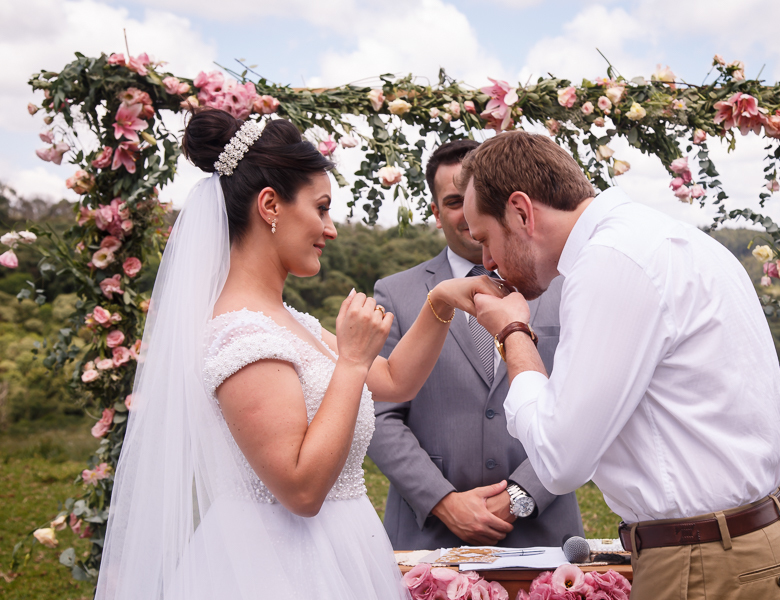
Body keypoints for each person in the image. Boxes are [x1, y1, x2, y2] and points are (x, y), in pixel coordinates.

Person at [94, 110, 504, 600]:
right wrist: (351, 362)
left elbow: (395, 380)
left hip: (343, 552)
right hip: (278, 571)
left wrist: (439, 302)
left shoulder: (288, 320)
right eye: (322, 208)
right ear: (270, 205)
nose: (330, 229)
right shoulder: (241, 338)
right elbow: (302, 490)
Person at [459, 131, 780, 600]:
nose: (486, 262)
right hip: (748, 542)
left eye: (485, 239)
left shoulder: (610, 263)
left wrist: (511, 333)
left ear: (521, 212)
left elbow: (561, 461)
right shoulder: (662, 237)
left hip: (703, 562)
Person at [368, 140, 583, 550]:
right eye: (452, 201)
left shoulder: (564, 288)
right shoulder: (396, 293)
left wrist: (521, 495)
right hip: (428, 535)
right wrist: (443, 501)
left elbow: (583, 406)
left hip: (544, 534)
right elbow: (380, 415)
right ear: (435, 211)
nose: (465, 216)